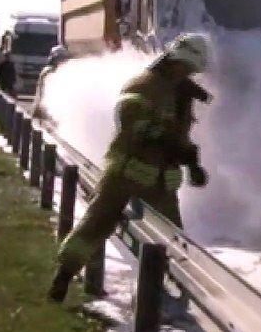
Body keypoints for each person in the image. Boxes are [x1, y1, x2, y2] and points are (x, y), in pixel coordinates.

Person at [47, 33, 212, 304]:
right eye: (187, 66)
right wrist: (165, 139)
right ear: (174, 61)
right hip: (127, 172)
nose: (189, 73)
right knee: (96, 223)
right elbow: (131, 124)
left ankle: (157, 296)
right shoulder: (144, 86)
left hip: (161, 179)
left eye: (192, 69)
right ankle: (63, 277)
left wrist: (192, 162)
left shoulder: (181, 94)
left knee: (169, 238)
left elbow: (181, 138)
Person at [31, 45, 69, 122]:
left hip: (48, 112)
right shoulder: (49, 71)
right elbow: (46, 93)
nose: (64, 61)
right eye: (62, 58)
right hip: (43, 112)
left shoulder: (55, 71)